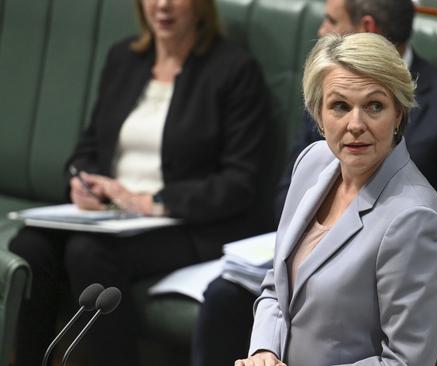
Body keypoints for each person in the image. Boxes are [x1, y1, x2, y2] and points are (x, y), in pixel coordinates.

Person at [8, 0, 271, 364]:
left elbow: (239, 183)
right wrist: (81, 182)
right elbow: (88, 145)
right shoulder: (124, 59)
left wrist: (151, 201)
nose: (161, 5)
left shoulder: (233, 70)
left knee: (88, 253)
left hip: (185, 222)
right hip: (111, 216)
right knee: (30, 245)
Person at [237, 32, 437, 366]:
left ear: (398, 114)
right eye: (340, 106)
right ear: (318, 115)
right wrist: (265, 351)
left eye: (374, 106)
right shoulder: (313, 162)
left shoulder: (415, 218)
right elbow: (277, 287)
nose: (355, 124)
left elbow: (405, 362)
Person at [277, 0, 437, 292]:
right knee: (229, 297)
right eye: (340, 106)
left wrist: (357, 248)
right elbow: (288, 198)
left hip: (405, 277)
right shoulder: (329, 82)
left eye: (331, 21)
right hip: (309, 263)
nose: (355, 125)